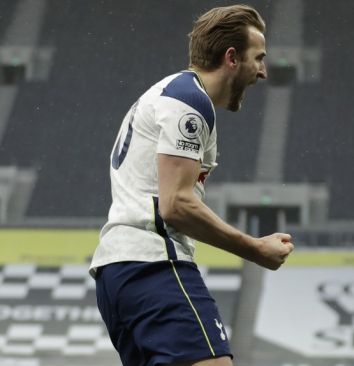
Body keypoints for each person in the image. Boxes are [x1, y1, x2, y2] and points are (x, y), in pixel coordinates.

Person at [89, 5, 294, 366]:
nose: (262, 72)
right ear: (232, 57)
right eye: (258, 58)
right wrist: (255, 249)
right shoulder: (189, 102)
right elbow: (176, 205)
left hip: (118, 272)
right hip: (153, 265)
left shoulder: (165, 94)